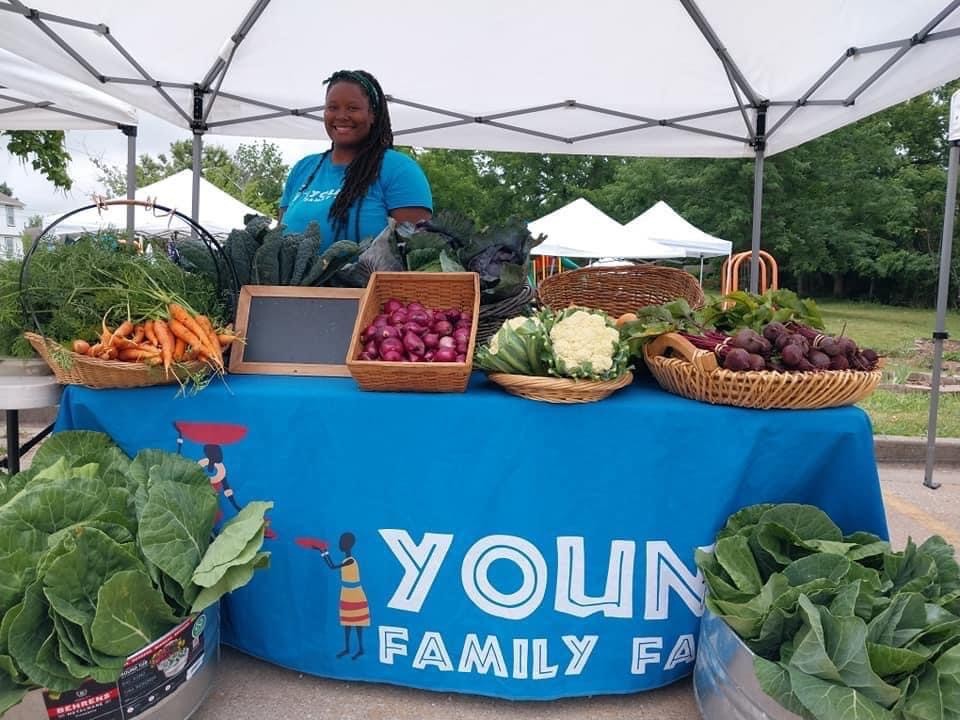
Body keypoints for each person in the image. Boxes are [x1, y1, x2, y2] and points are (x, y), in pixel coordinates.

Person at [278, 69, 433, 249]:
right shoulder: (303, 168)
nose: (341, 116)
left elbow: (417, 253)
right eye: (332, 107)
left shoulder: (400, 170)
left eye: (353, 108)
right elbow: (276, 242)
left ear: (372, 114)